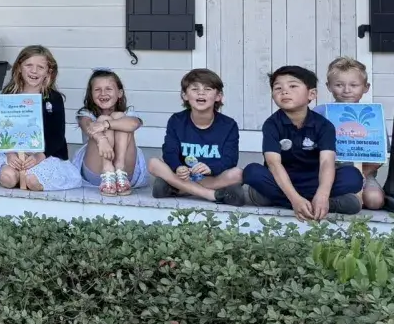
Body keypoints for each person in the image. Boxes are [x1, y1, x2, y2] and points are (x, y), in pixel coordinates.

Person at [243, 65, 364, 220]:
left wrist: (322, 194)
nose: (284, 91)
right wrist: (294, 199)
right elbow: (273, 164)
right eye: (277, 88)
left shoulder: (324, 125)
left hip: (314, 179)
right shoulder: (272, 124)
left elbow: (327, 162)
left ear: (311, 94)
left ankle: (278, 200)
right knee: (252, 172)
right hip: (283, 179)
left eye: (293, 86)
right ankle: (326, 204)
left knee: (352, 176)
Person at [0, 46, 82, 192]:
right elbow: (1, 129)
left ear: (48, 72)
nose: (34, 71)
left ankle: (27, 177)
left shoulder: (53, 98)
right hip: (15, 152)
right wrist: (10, 153)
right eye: (29, 65)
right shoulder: (9, 95)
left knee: (32, 181)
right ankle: (20, 175)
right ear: (19, 67)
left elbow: (57, 136)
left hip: (45, 154)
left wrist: (40, 156)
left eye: (40, 67)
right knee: (8, 178)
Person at [147, 68, 244, 205]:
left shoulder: (228, 125)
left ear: (218, 96)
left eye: (208, 89)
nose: (201, 93)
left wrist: (211, 168)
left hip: (212, 176)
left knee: (238, 173)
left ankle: (179, 189)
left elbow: (230, 159)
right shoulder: (177, 120)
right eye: (194, 89)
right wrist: (178, 167)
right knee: (153, 163)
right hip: (184, 174)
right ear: (185, 95)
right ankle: (211, 194)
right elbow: (170, 151)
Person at [323, 57, 386, 210]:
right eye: (339, 85)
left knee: (375, 201)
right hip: (329, 172)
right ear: (329, 86)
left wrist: (362, 175)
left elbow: (379, 155)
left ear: (366, 87)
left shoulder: (374, 116)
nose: (346, 90)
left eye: (354, 85)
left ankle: (349, 199)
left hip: (365, 172)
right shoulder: (320, 113)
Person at [74, 69, 148, 196]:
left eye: (108, 89)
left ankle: (119, 169)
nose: (103, 93)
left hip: (126, 172)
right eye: (97, 90)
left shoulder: (128, 112)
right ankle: (107, 170)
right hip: (96, 170)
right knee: (103, 118)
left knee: (119, 117)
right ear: (91, 94)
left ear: (119, 93)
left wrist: (105, 124)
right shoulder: (86, 113)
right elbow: (88, 126)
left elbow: (134, 124)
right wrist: (102, 140)